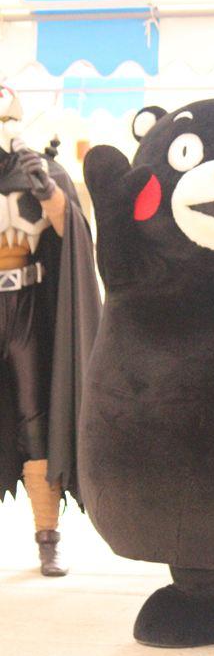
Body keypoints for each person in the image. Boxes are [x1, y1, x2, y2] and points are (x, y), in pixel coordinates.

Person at [0, 85, 101, 575]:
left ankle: (47, 535)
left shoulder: (41, 168)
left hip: (28, 304)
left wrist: (47, 191)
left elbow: (72, 231)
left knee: (35, 417)